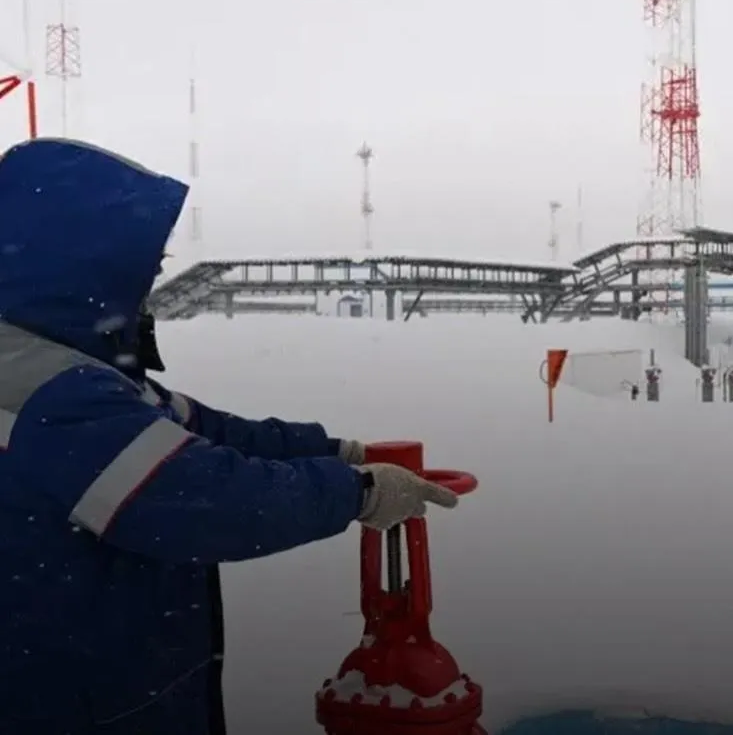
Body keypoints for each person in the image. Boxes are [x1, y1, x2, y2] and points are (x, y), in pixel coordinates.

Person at [0, 137, 458, 735]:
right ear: (82, 262)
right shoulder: (48, 392)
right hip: (74, 704)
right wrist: (358, 493)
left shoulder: (63, 371)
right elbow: (199, 496)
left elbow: (205, 430)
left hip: (101, 683)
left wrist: (337, 453)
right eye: (144, 262)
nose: (156, 275)